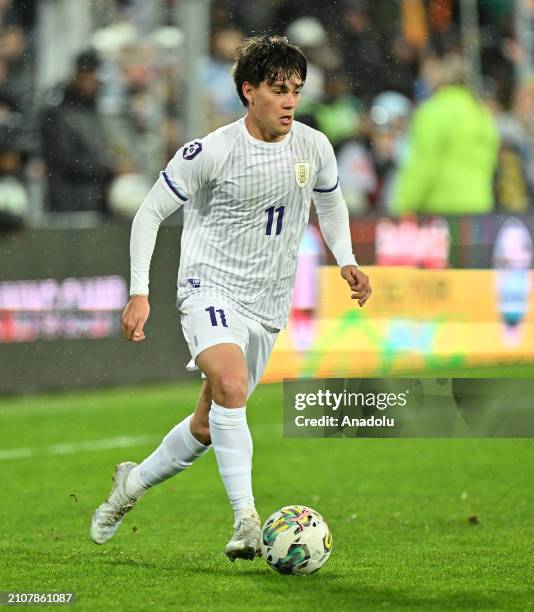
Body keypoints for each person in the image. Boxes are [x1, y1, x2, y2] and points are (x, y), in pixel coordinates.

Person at [90, 34, 372, 561]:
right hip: (209, 286)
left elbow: (331, 206)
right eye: (277, 89)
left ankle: (131, 485)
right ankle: (246, 518)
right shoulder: (213, 151)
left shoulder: (314, 147)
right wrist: (139, 291)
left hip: (268, 303)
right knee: (231, 383)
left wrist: (347, 258)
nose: (290, 101)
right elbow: (149, 213)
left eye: (296, 90)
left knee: (207, 421)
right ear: (248, 90)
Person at [390, 54, 499, 215]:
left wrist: (402, 205)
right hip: (480, 209)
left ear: (440, 79)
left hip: (442, 211)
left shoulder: (432, 112)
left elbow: (421, 166)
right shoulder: (482, 115)